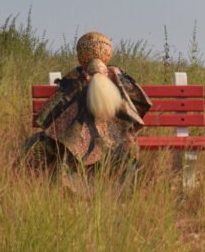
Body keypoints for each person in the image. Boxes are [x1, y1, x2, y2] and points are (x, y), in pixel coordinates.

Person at [23, 31, 152, 176]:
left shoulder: (73, 79)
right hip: (113, 141)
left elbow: (49, 113)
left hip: (77, 144)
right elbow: (137, 104)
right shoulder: (117, 77)